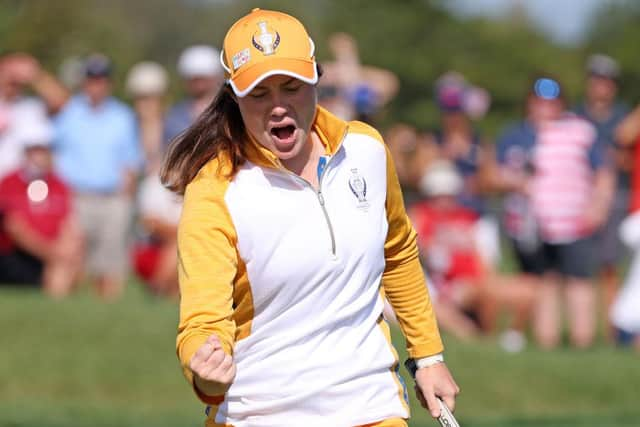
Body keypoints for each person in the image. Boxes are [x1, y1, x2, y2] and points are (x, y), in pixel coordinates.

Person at [161, 8, 458, 427]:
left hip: (371, 408)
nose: (279, 107)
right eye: (259, 94)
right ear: (233, 97)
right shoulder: (214, 189)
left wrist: (428, 356)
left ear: (317, 78)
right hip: (260, 414)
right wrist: (204, 368)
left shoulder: (367, 149)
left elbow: (398, 252)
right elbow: (202, 322)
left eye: (292, 87)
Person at [525, 76, 613, 349]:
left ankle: (581, 343)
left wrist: (598, 207)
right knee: (546, 283)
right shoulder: (521, 134)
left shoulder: (580, 131)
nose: (545, 108)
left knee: (579, 283)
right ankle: (546, 343)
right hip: (538, 224)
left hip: (575, 222)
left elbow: (603, 172)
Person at [53, 53, 143, 300]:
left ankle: (106, 311)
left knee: (110, 264)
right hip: (75, 196)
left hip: (112, 197)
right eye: (92, 79)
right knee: (70, 259)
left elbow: (131, 161)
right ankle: (61, 310)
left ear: (109, 83)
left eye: (101, 79)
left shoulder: (122, 116)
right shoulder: (69, 112)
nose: (96, 85)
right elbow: (53, 149)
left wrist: (127, 197)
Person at [574, 54, 631, 338]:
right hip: (579, 197)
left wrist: (613, 161)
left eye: (606, 81)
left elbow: (630, 159)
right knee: (579, 270)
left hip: (615, 197)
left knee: (609, 266)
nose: (601, 86)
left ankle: (612, 331)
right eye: (596, 80)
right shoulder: (575, 115)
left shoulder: (623, 116)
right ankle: (583, 332)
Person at [0, 121, 82, 297]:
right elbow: (15, 230)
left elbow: (69, 226)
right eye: (34, 150)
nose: (39, 156)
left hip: (50, 256)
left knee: (68, 261)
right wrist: (53, 255)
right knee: (61, 265)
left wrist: (65, 253)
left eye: (44, 150)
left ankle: (57, 305)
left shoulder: (59, 184)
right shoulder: (8, 182)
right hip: (15, 257)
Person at [0, 52, 69, 179]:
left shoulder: (31, 107)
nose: (12, 83)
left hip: (23, 189)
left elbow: (60, 101)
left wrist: (35, 75)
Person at [164, 45, 224, 145]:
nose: (199, 85)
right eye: (194, 79)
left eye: (203, 79)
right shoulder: (174, 117)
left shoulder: (232, 112)